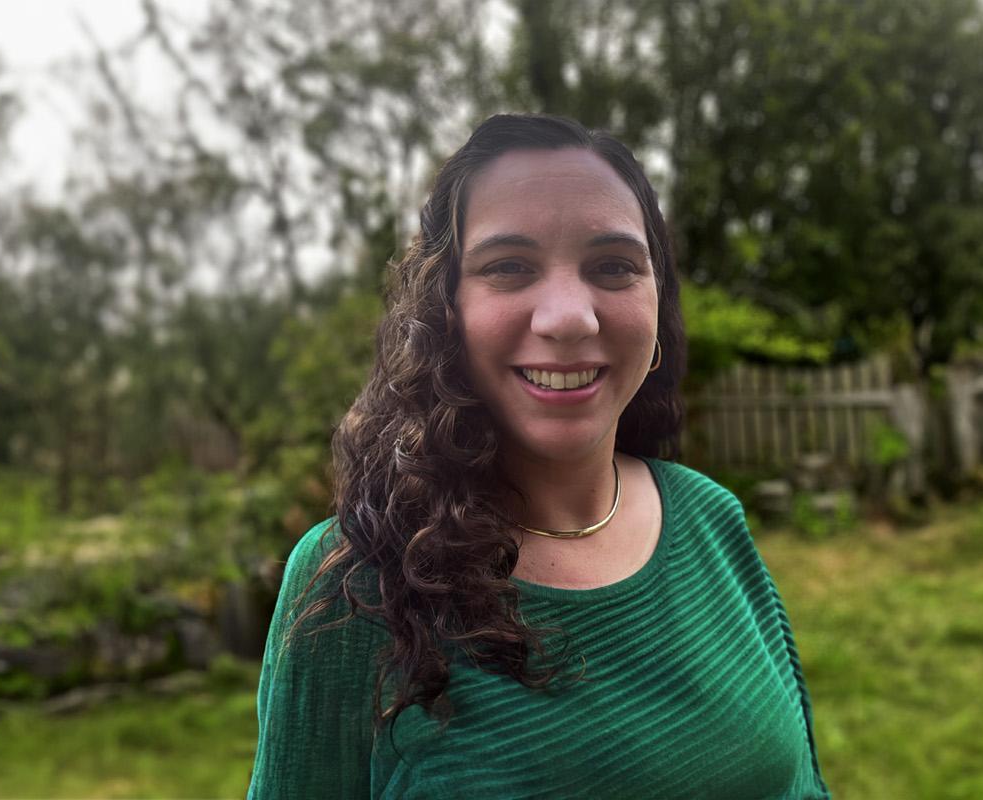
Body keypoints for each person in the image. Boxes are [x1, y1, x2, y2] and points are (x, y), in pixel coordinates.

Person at [247, 113, 831, 799]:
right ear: (446, 312)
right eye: (510, 267)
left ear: (656, 303)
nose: (568, 318)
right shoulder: (353, 585)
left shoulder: (713, 519)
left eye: (613, 266)